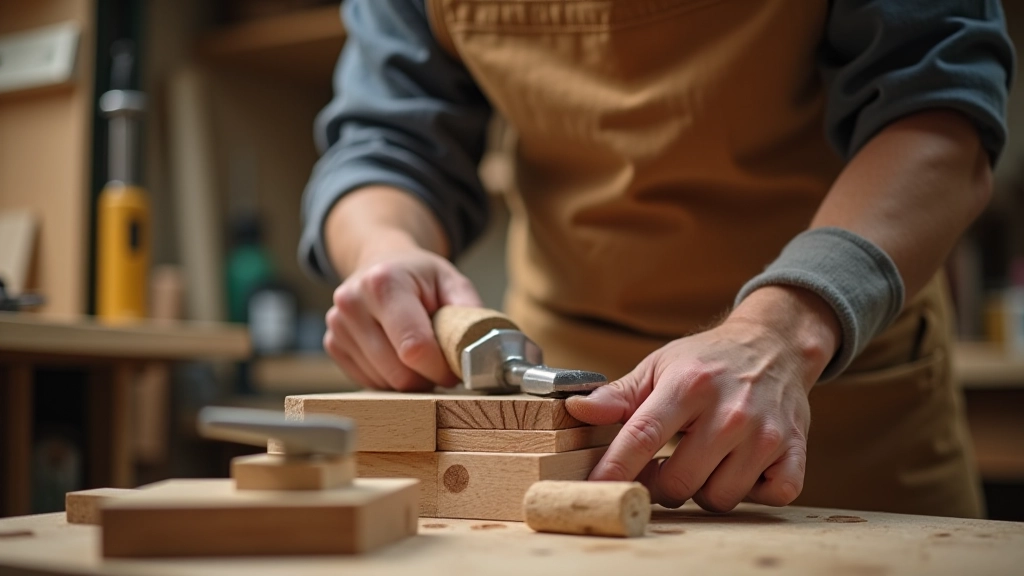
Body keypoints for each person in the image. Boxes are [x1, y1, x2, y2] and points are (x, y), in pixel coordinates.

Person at [299, 0, 1014, 518]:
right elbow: (385, 140)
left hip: (833, 388)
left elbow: (937, 119)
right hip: (573, 431)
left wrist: (787, 325)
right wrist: (383, 248)